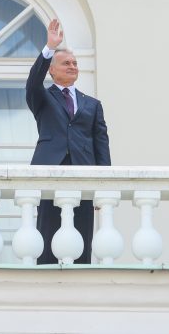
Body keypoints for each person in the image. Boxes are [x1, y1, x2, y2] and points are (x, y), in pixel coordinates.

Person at [26, 19, 111, 264]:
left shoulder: (92, 104)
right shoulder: (42, 96)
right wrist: (50, 47)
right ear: (52, 69)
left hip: (83, 172)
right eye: (66, 63)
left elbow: (101, 145)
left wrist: (104, 186)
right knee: (48, 232)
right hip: (49, 171)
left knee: (82, 233)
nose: (72, 66)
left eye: (75, 63)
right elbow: (33, 82)